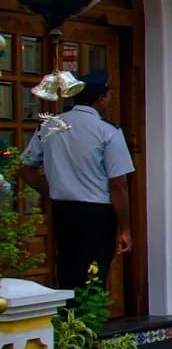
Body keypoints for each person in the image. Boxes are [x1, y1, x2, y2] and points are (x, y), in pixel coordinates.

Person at [20, 70, 134, 291]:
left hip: (63, 210)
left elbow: (26, 168)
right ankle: (85, 323)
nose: (110, 96)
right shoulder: (108, 131)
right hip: (96, 213)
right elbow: (118, 184)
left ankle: (68, 323)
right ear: (101, 97)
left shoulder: (51, 125)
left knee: (67, 273)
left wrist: (51, 190)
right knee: (93, 277)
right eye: (109, 92)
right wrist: (125, 228)